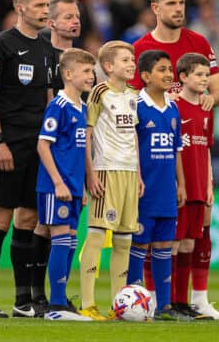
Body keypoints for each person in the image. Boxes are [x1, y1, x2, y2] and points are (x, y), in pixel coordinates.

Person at [129, 0, 219, 314]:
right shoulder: (141, 47)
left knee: (200, 227)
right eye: (171, 3)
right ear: (155, 7)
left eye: (182, 2)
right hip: (158, 153)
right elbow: (131, 101)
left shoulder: (198, 41)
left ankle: (197, 299)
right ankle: (158, 298)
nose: (179, 9)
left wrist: (211, 97)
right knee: (159, 229)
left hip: (198, 147)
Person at [0, 0, 57, 318]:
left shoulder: (46, 49)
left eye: (46, 4)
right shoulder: (1, 45)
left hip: (38, 146)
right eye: (39, 5)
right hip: (9, 143)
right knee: (1, 218)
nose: (45, 10)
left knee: (28, 218)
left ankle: (23, 300)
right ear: (21, 8)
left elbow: (50, 98)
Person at [79, 40, 143, 321]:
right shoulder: (99, 93)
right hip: (106, 170)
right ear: (108, 66)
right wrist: (90, 173)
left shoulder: (133, 95)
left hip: (129, 173)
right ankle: (87, 303)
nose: (132, 64)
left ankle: (119, 306)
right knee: (95, 235)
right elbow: (87, 134)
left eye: (133, 60)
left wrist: (139, 173)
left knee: (124, 240)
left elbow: (134, 137)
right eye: (126, 60)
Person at [29, 0, 84, 314]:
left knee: (55, 229)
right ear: (51, 23)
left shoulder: (82, 64)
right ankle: (38, 295)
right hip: (44, 150)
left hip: (71, 161)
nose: (75, 21)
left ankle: (51, 296)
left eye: (77, 16)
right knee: (33, 222)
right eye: (67, 17)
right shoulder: (42, 56)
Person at [127, 50, 187, 321]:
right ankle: (131, 304)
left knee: (164, 246)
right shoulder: (135, 106)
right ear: (145, 76)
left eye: (169, 69)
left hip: (166, 190)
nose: (168, 74)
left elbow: (176, 151)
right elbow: (130, 148)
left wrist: (181, 184)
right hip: (143, 191)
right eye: (162, 69)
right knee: (138, 246)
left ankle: (163, 306)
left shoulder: (174, 109)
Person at [36, 48, 95, 321]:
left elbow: (80, 148)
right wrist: (58, 182)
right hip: (55, 186)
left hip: (73, 186)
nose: (91, 76)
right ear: (68, 74)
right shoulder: (57, 106)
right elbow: (43, 145)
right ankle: (56, 306)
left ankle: (61, 302)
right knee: (60, 237)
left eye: (92, 71)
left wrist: (82, 184)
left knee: (70, 240)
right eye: (85, 71)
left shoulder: (82, 107)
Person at [173, 53, 219, 320]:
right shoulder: (173, 107)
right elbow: (173, 149)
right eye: (199, 75)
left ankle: (182, 304)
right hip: (179, 186)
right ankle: (168, 301)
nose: (205, 79)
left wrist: (208, 185)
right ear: (182, 77)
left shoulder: (206, 109)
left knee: (188, 244)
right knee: (171, 243)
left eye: (207, 75)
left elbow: (205, 149)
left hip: (198, 186)